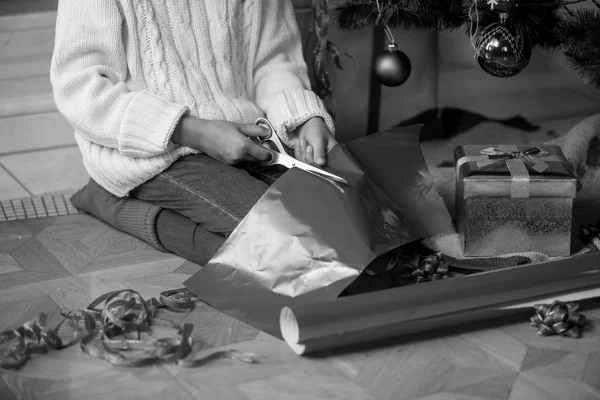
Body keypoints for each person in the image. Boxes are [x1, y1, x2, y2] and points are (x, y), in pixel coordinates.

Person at [51, 0, 337, 261]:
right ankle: (110, 198)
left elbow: (272, 60)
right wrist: (193, 131)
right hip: (156, 149)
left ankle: (111, 198)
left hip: (244, 136)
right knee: (290, 248)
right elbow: (80, 88)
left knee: (337, 216)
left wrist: (303, 117)